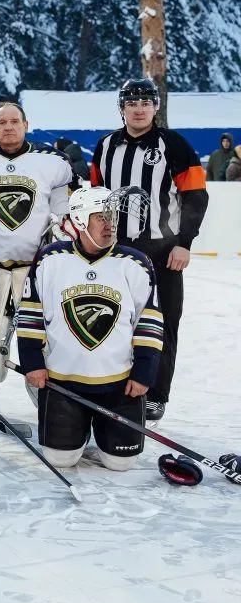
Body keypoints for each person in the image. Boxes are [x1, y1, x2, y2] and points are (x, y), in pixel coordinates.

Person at [17, 186, 162, 471]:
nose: (110, 224)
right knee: (60, 460)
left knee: (121, 464)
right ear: (80, 220)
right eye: (101, 217)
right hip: (63, 382)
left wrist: (144, 372)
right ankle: (76, 432)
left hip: (119, 385)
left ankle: (101, 434)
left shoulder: (136, 263)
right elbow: (31, 315)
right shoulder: (49, 259)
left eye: (113, 216)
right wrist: (33, 363)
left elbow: (150, 322)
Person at [90, 77, 208, 422]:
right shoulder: (106, 146)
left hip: (162, 251)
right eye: (131, 103)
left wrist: (184, 243)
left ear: (156, 106)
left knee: (162, 322)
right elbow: (97, 197)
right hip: (116, 251)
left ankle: (155, 394)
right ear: (122, 108)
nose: (138, 109)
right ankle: (114, 384)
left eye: (145, 103)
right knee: (113, 318)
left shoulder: (175, 145)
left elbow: (196, 197)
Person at [0, 101, 76, 397]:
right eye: (2, 122)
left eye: (14, 121)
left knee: (44, 341)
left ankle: (50, 405)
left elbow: (64, 216)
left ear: (26, 125)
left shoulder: (53, 161)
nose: (8, 127)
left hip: (33, 271)